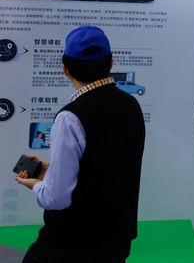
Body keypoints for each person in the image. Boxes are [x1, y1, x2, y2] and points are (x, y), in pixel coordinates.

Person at [15, 25, 146, 262]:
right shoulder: (131, 105)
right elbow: (106, 167)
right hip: (116, 241)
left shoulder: (70, 117)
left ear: (65, 69)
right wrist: (50, 169)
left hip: (71, 243)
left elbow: (56, 199)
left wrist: (35, 184)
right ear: (112, 62)